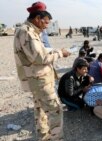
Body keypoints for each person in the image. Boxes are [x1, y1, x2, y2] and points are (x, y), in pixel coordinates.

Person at [14, 2, 71, 140]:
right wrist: (60, 53)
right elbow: (41, 57)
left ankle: (44, 137)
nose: (46, 27)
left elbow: (35, 53)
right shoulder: (27, 32)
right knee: (55, 110)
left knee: (40, 110)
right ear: (37, 18)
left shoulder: (27, 30)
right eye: (45, 23)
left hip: (37, 79)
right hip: (40, 80)